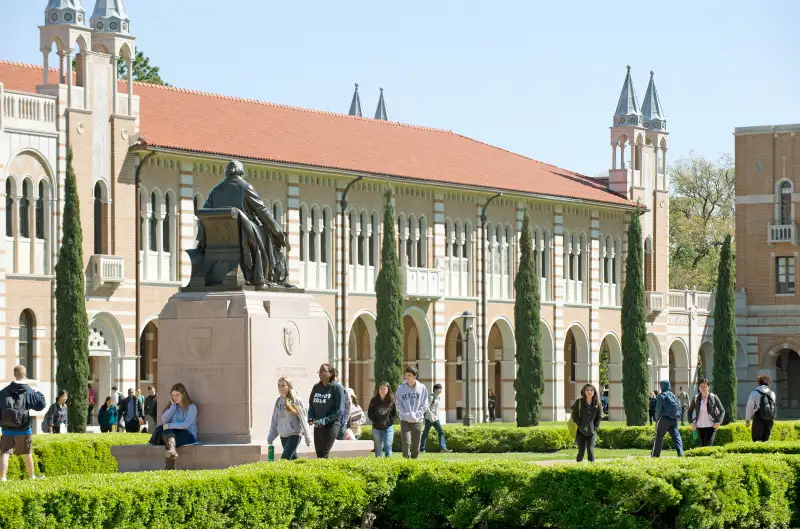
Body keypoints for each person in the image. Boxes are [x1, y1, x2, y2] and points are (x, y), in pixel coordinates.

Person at [0, 365, 46, 481]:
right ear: (25, 375)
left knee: (5, 453)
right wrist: (38, 393)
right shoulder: (29, 391)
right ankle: (31, 476)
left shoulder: (4, 391)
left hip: (7, 428)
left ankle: (3, 478)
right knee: (27, 452)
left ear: (14, 374)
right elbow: (40, 405)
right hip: (23, 428)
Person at [150, 383, 199, 460]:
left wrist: (169, 426)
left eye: (177, 395)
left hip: (188, 434)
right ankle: (172, 451)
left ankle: (170, 457)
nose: (174, 397)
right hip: (173, 434)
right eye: (173, 395)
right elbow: (164, 420)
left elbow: (186, 424)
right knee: (168, 435)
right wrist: (173, 407)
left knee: (168, 436)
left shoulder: (191, 407)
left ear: (183, 394)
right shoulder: (173, 406)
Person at [267, 377, 311, 460]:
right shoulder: (278, 401)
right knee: (293, 459)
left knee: (284, 459)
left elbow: (303, 418)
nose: (281, 388)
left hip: (294, 434)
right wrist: (271, 436)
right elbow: (274, 420)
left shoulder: (296, 400)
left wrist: (307, 437)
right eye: (279, 385)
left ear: (289, 386)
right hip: (283, 435)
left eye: (283, 385)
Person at [307, 363, 345, 458]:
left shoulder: (337, 388)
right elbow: (311, 405)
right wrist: (311, 417)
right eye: (319, 371)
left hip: (332, 424)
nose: (320, 373)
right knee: (319, 454)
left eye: (323, 371)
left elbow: (340, 410)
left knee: (324, 453)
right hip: (318, 423)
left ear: (331, 373)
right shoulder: (316, 387)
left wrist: (325, 420)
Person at [396, 366, 429, 459]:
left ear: (415, 376)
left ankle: (414, 460)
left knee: (416, 443)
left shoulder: (422, 388)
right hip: (404, 419)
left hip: (418, 420)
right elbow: (398, 403)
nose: (407, 377)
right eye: (406, 375)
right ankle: (406, 460)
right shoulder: (400, 388)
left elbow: (425, 403)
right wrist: (405, 414)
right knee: (406, 441)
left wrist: (418, 414)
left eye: (409, 375)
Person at [651, 380, 684, 458]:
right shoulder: (673, 396)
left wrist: (656, 419)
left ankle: (655, 455)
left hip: (664, 420)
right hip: (674, 420)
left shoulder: (661, 396)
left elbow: (658, 410)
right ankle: (680, 454)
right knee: (677, 437)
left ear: (662, 386)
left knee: (659, 437)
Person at [687, 378, 724, 447]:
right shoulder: (696, 398)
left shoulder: (713, 397)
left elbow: (722, 410)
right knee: (701, 446)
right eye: (701, 387)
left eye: (705, 386)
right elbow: (690, 411)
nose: (703, 388)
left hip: (711, 426)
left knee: (708, 446)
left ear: (708, 387)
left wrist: (718, 422)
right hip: (699, 426)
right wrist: (691, 422)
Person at [571, 383, 602, 462]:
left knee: (590, 451)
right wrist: (579, 424)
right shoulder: (579, 402)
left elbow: (599, 418)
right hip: (580, 431)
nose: (589, 392)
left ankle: (592, 470)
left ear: (594, 392)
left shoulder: (597, 404)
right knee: (581, 452)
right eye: (587, 390)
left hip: (592, 432)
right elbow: (574, 415)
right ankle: (577, 469)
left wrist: (595, 427)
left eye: (591, 390)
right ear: (584, 391)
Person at [368, 382, 397, 458]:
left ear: (388, 390)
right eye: (381, 388)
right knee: (378, 447)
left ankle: (388, 461)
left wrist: (389, 422)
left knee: (388, 444)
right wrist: (375, 421)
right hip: (376, 428)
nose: (382, 390)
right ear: (378, 390)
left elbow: (395, 414)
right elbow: (370, 413)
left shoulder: (392, 400)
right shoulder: (374, 400)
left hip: (388, 427)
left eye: (385, 389)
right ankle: (378, 463)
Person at [745, 374, 777, 442]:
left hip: (759, 417)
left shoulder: (754, 393)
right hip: (770, 418)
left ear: (759, 382)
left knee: (756, 440)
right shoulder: (772, 394)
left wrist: (747, 419)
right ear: (768, 383)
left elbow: (749, 407)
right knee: (766, 440)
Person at [420, 383, 451, 453]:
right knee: (425, 433)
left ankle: (443, 448)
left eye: (441, 388)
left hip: (436, 419)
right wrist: (431, 415)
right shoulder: (431, 397)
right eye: (439, 388)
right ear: (435, 389)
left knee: (441, 431)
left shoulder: (438, 397)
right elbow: (426, 407)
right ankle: (421, 449)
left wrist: (436, 416)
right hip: (429, 418)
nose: (440, 390)